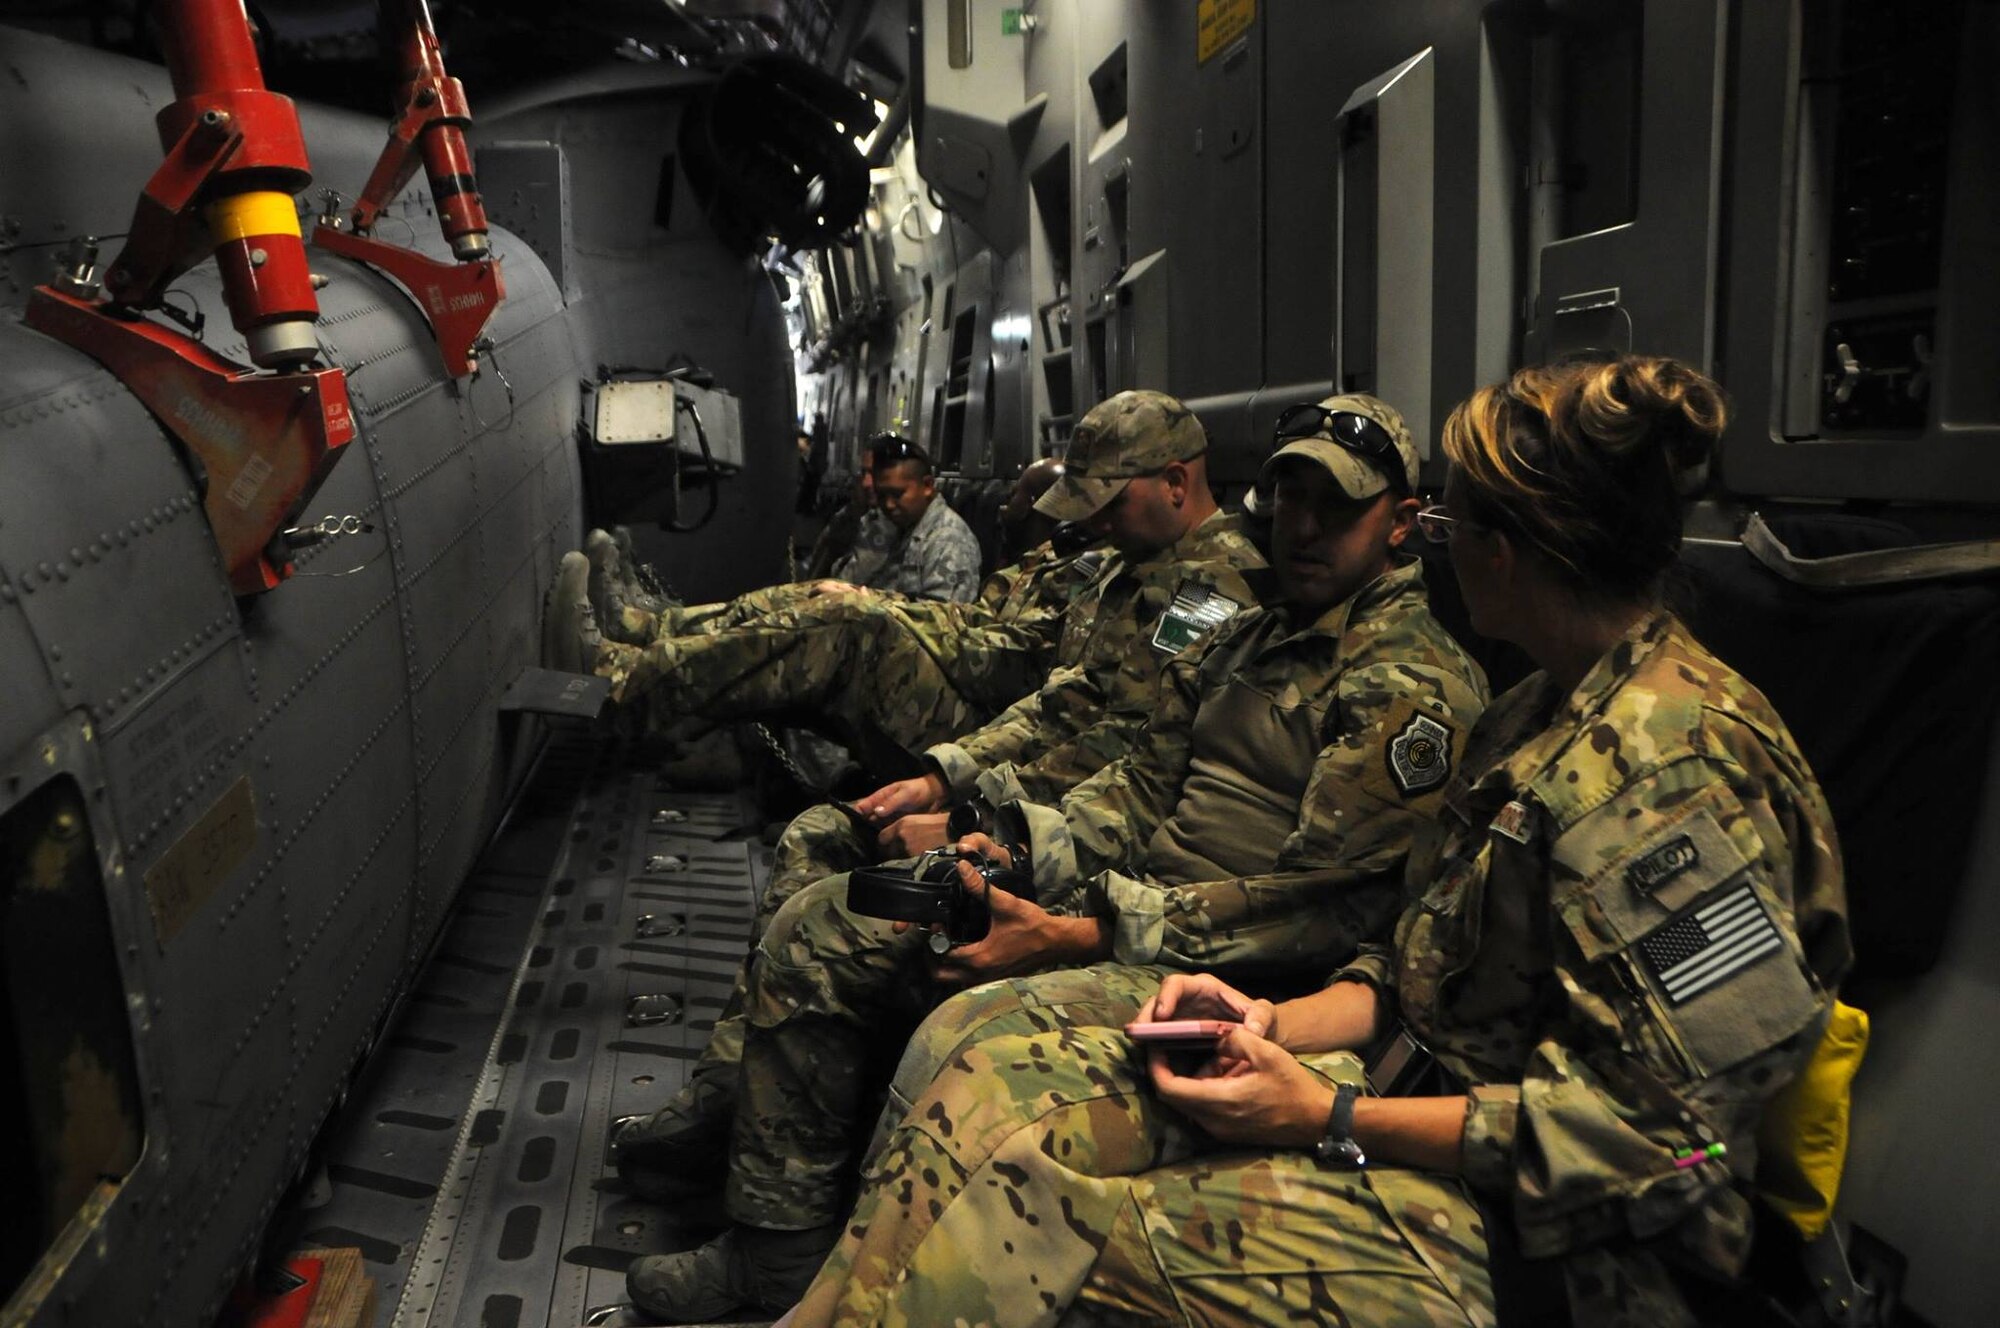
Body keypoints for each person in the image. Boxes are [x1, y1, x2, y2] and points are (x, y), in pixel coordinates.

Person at [783, 355, 1853, 1328]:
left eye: (1445, 526)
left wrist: (1332, 1110)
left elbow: (1664, 1145)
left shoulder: (1671, 780)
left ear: (1500, 548)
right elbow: (1415, 962)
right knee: (988, 1114)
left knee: (1035, 1217)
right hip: (1414, 1099)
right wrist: (1266, 1018)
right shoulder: (1531, 713)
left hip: (1577, 1256)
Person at [624, 393, 1491, 1323]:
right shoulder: (1249, 636)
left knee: (954, 1035)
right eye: (1291, 501)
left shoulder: (1405, 686)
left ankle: (835, 1273)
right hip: (1122, 896)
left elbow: (1315, 909)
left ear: (1401, 524)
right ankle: (777, 1242)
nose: (1305, 528)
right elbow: (1144, 775)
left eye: (1337, 507)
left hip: (1208, 964)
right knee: (834, 919)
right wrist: (1017, 847)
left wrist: (1082, 929)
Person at [611, 390, 1269, 1201]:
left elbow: (1130, 763)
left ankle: (777, 1210)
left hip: (1079, 846)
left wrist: (974, 815)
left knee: (833, 896)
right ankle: (733, 1092)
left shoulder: (1214, 596)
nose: (1094, 522)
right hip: (1033, 807)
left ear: (1176, 482)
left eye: (1111, 503)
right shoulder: (1124, 570)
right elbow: (1060, 705)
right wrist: (945, 775)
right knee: (821, 831)